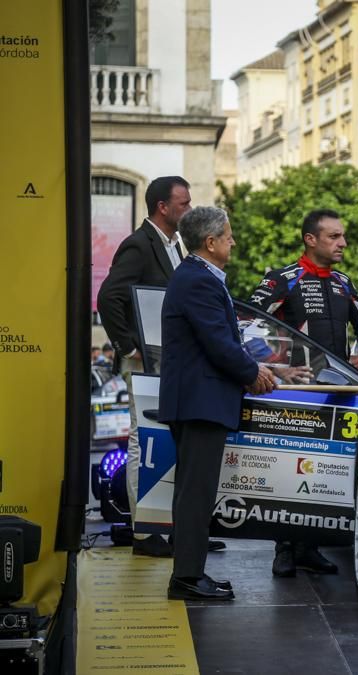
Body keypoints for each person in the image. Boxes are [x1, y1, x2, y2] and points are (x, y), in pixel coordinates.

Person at [96, 176, 224, 558]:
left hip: (168, 360)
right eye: (183, 203)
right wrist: (129, 345)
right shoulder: (138, 244)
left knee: (167, 440)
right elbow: (109, 296)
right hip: (145, 361)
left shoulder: (176, 245)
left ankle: (178, 529)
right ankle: (143, 531)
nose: (189, 208)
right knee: (144, 440)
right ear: (162, 207)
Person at [246, 208, 358, 577]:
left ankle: (310, 546)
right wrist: (275, 368)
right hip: (295, 393)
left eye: (342, 236)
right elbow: (244, 326)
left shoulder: (343, 282)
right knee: (289, 470)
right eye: (334, 236)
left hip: (338, 391)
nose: (343, 243)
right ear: (311, 239)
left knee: (327, 470)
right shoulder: (282, 279)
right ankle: (284, 549)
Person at [159, 206, 276, 601]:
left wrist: (252, 366)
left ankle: (189, 573)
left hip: (200, 399)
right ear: (210, 242)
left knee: (196, 491)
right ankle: (187, 578)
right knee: (196, 493)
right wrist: (252, 373)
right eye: (228, 236)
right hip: (200, 401)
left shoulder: (199, 277)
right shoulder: (198, 280)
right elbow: (219, 344)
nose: (233, 241)